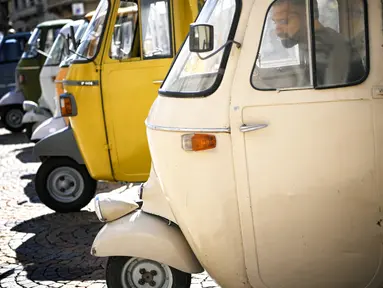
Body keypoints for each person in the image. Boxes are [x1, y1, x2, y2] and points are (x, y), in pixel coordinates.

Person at [271, 0, 365, 87]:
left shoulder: (324, 48)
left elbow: (330, 97)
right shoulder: (312, 42)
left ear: (308, 16)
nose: (277, 31)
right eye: (275, 22)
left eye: (284, 21)